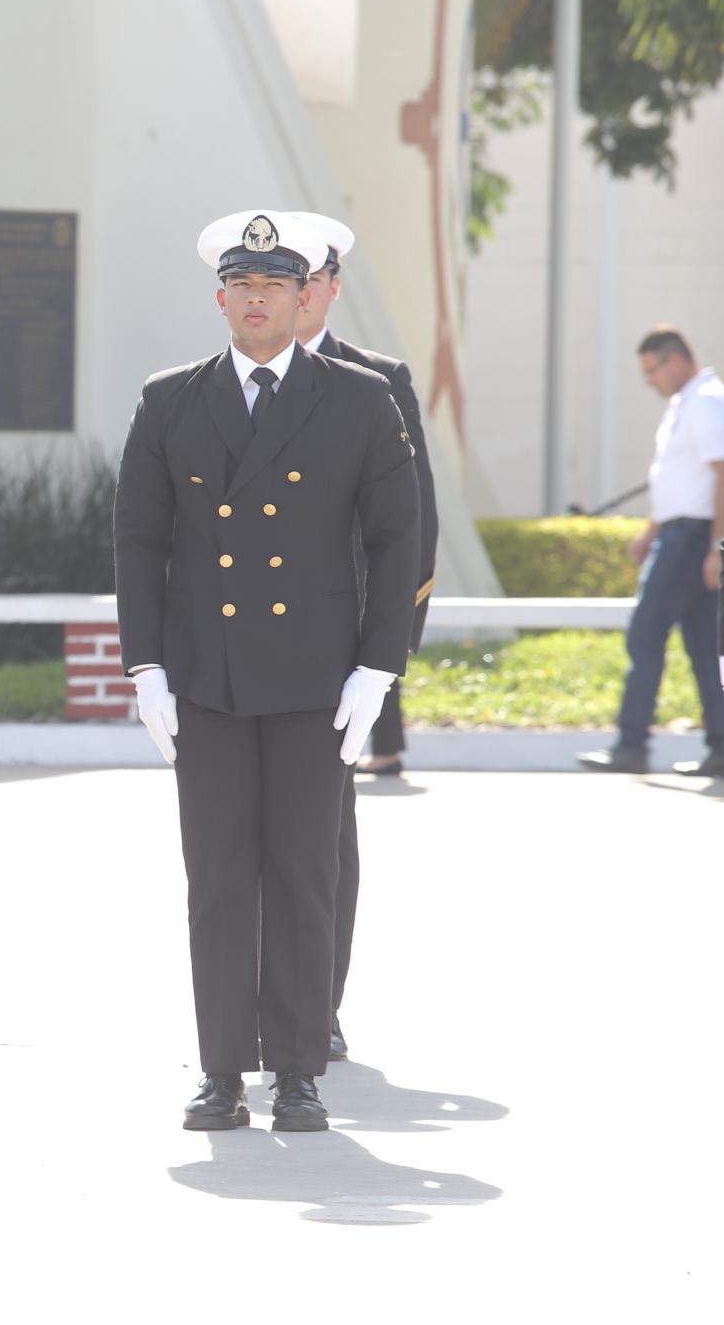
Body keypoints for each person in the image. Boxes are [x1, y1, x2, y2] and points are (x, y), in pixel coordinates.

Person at [114, 211, 420, 1132]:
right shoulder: (170, 399)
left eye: (275, 286)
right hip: (206, 678)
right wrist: (146, 666)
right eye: (242, 287)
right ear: (221, 300)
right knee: (216, 877)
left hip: (313, 682)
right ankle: (219, 1070)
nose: (257, 300)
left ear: (304, 297)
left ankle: (297, 1071)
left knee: (301, 876)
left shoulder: (361, 399)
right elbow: (139, 538)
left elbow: (397, 536)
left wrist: (378, 667)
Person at [289, 210, 441, 1061]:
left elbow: (411, 525)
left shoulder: (377, 379)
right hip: (248, 649)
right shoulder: (218, 380)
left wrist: (387, 655)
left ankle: (318, 1003)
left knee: (325, 835)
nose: (293, 296)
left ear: (331, 289)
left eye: (308, 282)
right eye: (278, 282)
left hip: (344, 646)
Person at [576, 327, 724, 778]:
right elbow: (683, 484)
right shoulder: (687, 403)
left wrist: (718, 549)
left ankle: (631, 743)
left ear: (675, 360)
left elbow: (722, 475)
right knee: (704, 649)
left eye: (650, 370)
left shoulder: (705, 401)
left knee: (645, 635)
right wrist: (650, 530)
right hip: (680, 535)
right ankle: (720, 750)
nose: (649, 382)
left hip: (691, 542)